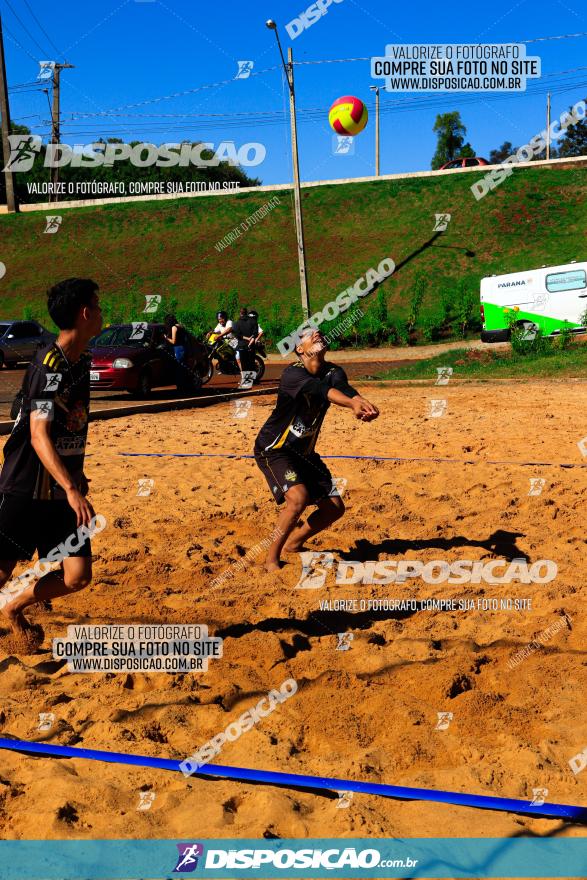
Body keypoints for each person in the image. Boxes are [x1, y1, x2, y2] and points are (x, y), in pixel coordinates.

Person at [0, 278, 103, 644]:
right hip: (26, 485)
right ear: (85, 312)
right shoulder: (50, 368)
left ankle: (14, 605)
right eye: (97, 304)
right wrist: (72, 488)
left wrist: (76, 474)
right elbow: (38, 433)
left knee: (77, 575)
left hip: (61, 487)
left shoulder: (81, 361)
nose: (101, 311)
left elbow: (65, 428)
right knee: (1, 570)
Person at [254, 328, 379, 572]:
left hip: (305, 454)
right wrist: (352, 403)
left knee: (334, 508)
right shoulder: (292, 374)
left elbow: (342, 388)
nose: (318, 333)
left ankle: (294, 543)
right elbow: (324, 392)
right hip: (275, 449)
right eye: (310, 334)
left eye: (320, 333)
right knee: (298, 499)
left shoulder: (333, 371)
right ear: (300, 349)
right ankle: (271, 559)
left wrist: (360, 402)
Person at [231, 306, 259, 389]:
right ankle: (253, 380)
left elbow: (237, 335)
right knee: (251, 363)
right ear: (247, 313)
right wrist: (251, 339)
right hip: (251, 345)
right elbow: (255, 333)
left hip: (242, 345)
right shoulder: (253, 321)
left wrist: (246, 338)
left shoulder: (237, 323)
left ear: (240, 313)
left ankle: (247, 383)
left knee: (244, 364)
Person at [164, 313, 190, 393]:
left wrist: (166, 338)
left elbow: (174, 341)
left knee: (179, 369)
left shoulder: (174, 328)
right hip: (184, 348)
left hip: (178, 349)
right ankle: (185, 387)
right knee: (184, 368)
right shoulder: (180, 326)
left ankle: (180, 388)